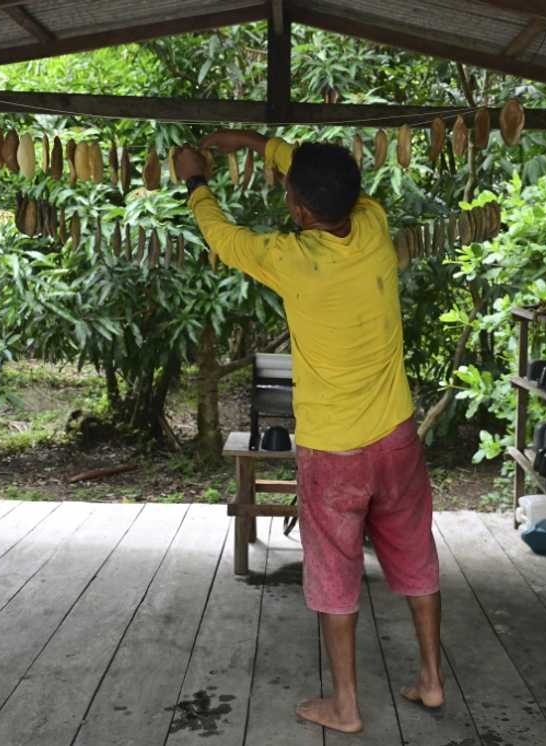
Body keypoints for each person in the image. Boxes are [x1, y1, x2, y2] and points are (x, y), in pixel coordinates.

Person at [173, 131, 443, 734]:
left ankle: (345, 707)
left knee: (334, 570)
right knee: (416, 555)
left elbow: (222, 235)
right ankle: (430, 679)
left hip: (334, 451)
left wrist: (196, 181)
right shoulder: (372, 223)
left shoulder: (291, 258)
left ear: (296, 208)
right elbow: (323, 176)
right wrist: (256, 142)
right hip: (396, 438)